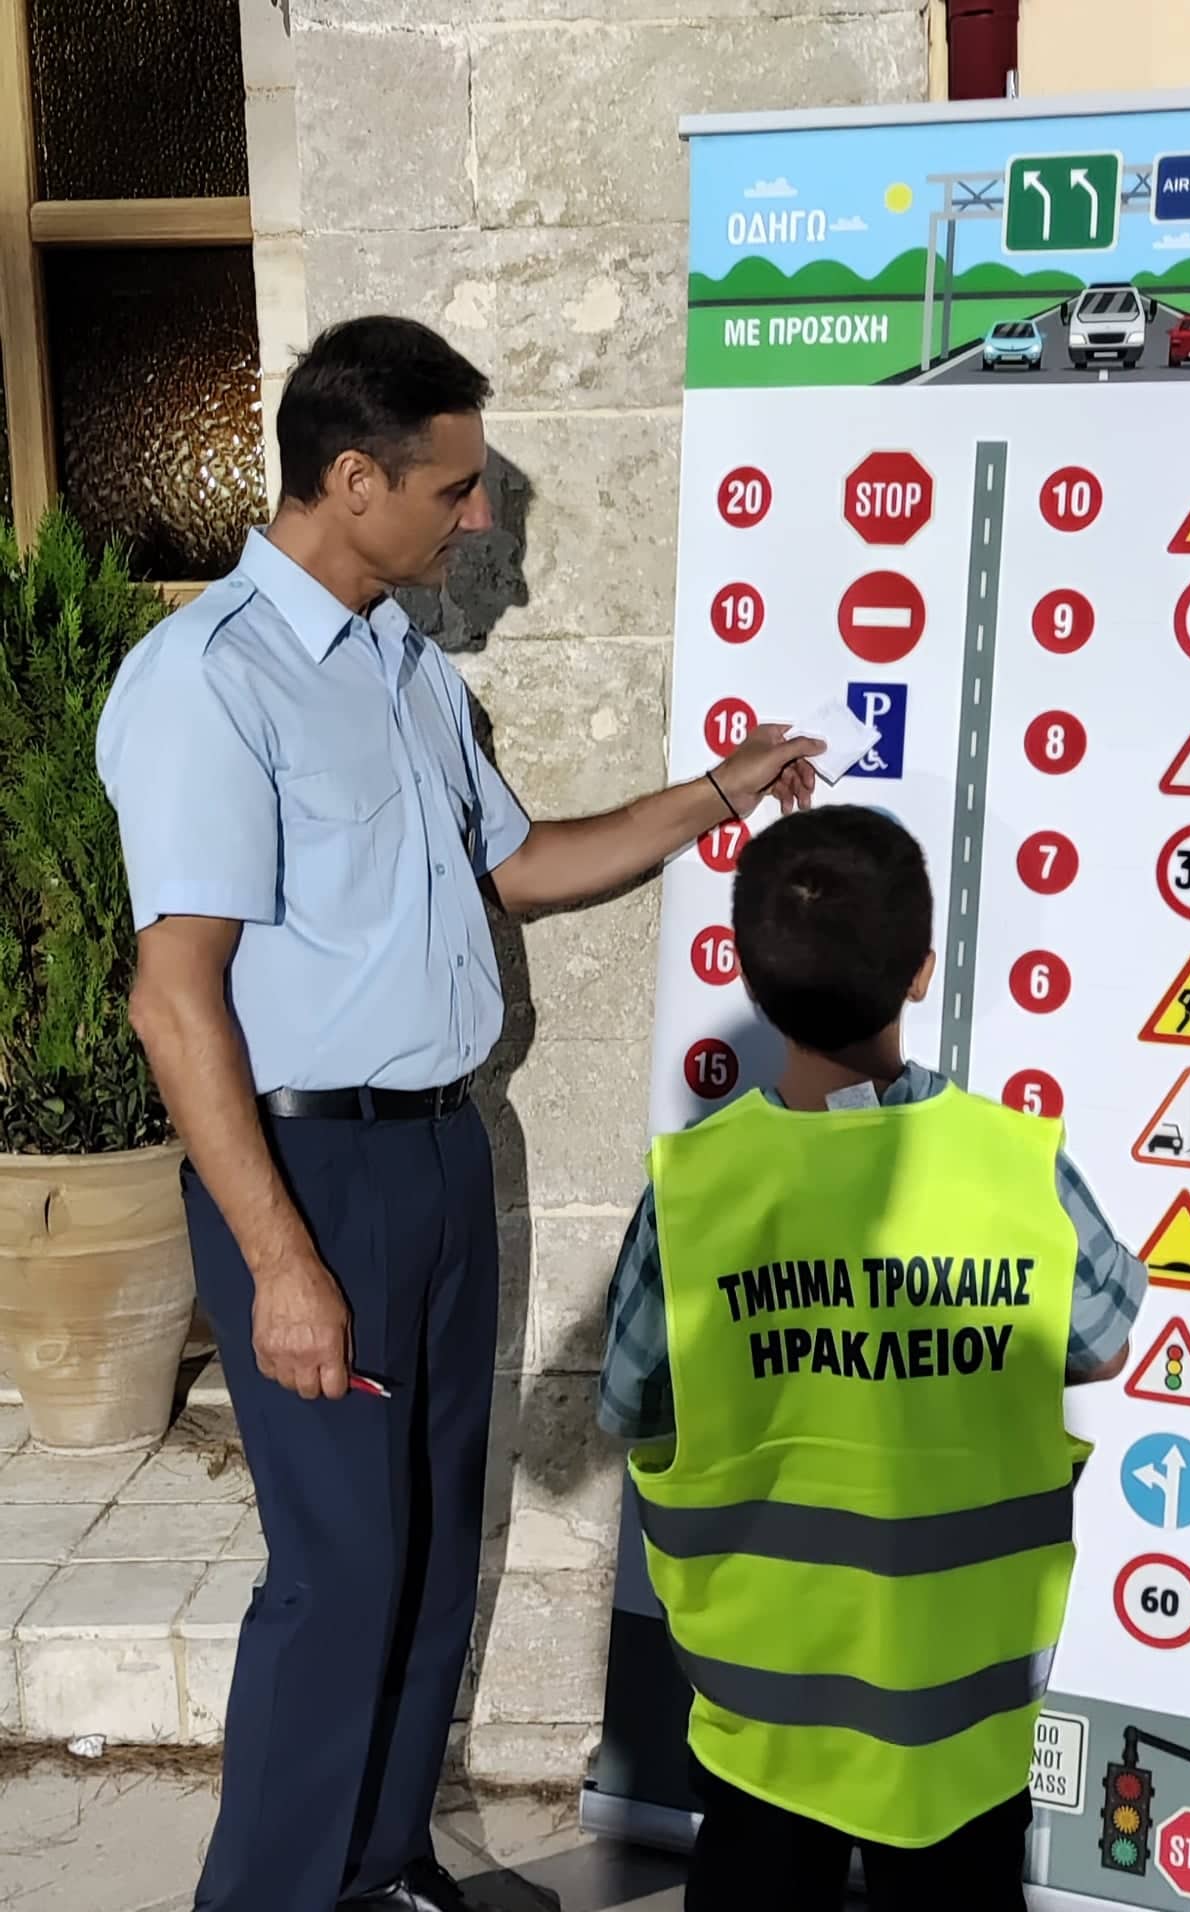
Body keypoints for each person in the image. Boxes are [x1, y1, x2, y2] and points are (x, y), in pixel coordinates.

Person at [95, 315, 820, 1912]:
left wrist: (724, 790)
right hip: (308, 1173)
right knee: (341, 1568)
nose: (479, 521)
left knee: (426, 1549)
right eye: (457, 489)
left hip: (436, 1151)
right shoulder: (210, 682)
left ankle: (380, 1870)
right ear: (353, 480)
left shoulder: (410, 671)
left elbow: (527, 867)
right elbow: (174, 999)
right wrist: (280, 1262)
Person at [599, 806, 1148, 1912]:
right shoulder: (1011, 1163)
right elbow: (1102, 1343)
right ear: (922, 970)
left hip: (767, 1721)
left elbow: (632, 1402)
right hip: (961, 1727)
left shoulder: (697, 1189)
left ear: (751, 986)